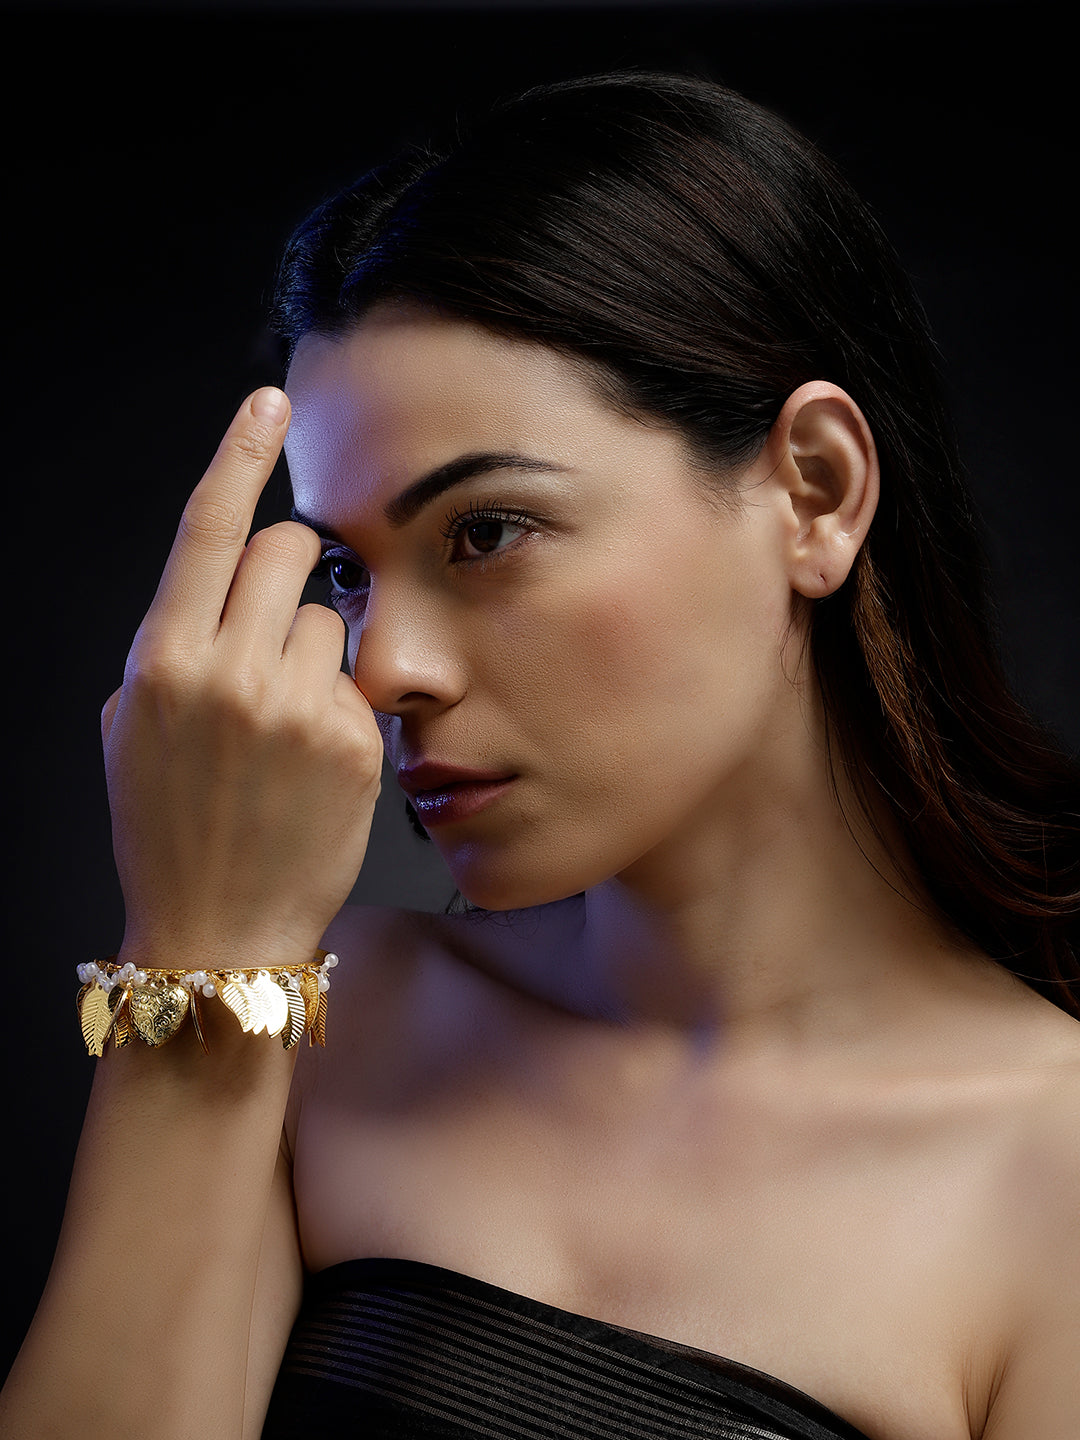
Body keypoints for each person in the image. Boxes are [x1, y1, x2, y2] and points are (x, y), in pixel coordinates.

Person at [2, 70, 1077, 1440]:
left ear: (816, 490)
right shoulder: (317, 1018)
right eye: (347, 571)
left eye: (487, 532)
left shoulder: (1050, 1174)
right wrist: (196, 954)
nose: (382, 668)